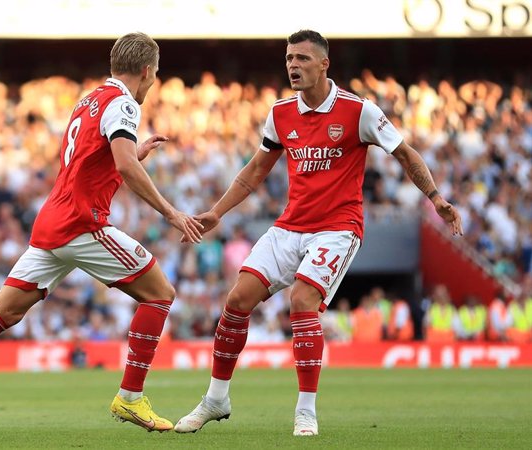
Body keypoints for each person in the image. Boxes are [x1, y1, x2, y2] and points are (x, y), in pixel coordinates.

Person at [0, 32, 203, 439]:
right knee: (160, 293)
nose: (152, 84)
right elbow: (125, 166)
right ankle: (131, 396)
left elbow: (91, 162)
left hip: (53, 222)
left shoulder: (90, 100)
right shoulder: (125, 104)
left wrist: (134, 154)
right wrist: (170, 211)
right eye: (155, 76)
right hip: (83, 223)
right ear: (148, 71)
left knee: (3, 312)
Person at [174, 29, 463, 437]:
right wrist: (217, 212)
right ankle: (216, 399)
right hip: (291, 225)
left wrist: (435, 197)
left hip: (337, 229)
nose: (293, 65)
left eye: (303, 59)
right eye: (290, 58)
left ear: (324, 64)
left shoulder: (358, 111)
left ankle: (305, 410)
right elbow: (256, 169)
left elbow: (404, 153)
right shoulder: (280, 113)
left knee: (302, 299)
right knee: (237, 299)